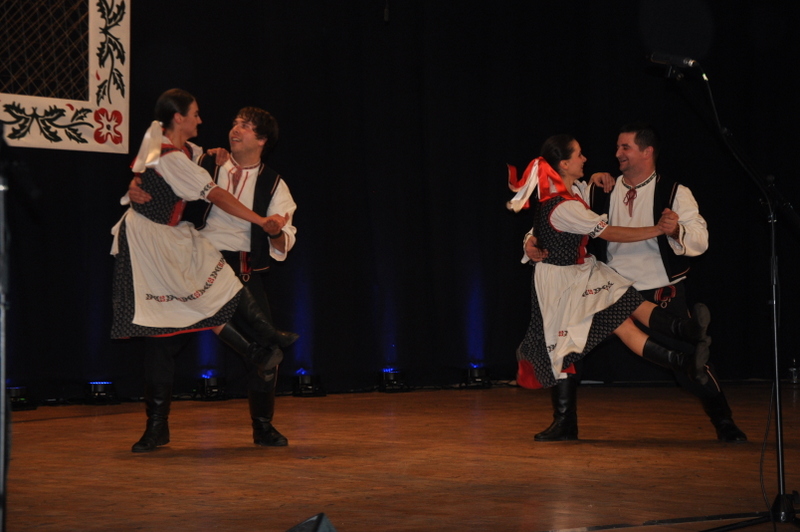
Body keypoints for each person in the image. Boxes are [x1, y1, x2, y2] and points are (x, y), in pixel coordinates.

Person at [525, 123, 746, 443]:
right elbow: (556, 218)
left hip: (658, 289)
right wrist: (530, 242)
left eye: (625, 147)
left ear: (647, 151)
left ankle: (724, 421)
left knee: (691, 363)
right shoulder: (598, 189)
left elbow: (700, 241)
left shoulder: (675, 192)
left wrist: (674, 230)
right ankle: (564, 423)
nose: (617, 154)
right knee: (567, 349)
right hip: (606, 286)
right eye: (617, 147)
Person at [111, 89, 297, 453]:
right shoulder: (205, 160)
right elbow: (155, 165)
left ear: (262, 140)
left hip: (242, 268)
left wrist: (274, 230)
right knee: (160, 341)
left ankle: (263, 427)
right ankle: (156, 428)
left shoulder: (275, 184)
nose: (235, 129)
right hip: (194, 261)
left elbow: (284, 239)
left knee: (267, 349)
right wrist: (134, 185)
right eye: (235, 123)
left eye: (246, 126)